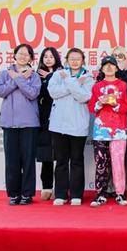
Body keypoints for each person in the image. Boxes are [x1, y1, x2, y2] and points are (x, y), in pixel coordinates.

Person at [0, 43, 41, 205]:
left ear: (31, 58)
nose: (23, 57)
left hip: (29, 123)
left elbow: (32, 94)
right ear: (14, 55)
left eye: (26, 54)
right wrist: (18, 78)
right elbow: (1, 91)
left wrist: (18, 78)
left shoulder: (34, 76)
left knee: (28, 160)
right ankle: (14, 194)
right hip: (9, 123)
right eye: (20, 53)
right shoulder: (5, 73)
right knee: (11, 160)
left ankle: (27, 194)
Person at [48, 48, 94, 206]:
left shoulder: (88, 77)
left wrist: (69, 81)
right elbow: (53, 92)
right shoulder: (58, 74)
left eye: (78, 58)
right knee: (61, 161)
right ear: (67, 60)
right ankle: (60, 194)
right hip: (58, 125)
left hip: (78, 125)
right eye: (72, 58)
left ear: (83, 60)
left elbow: (84, 97)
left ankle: (76, 194)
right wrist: (75, 84)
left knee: (76, 160)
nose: (75, 61)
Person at [88, 56, 127, 207]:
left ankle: (120, 193)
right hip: (100, 130)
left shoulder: (123, 85)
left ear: (117, 68)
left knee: (118, 162)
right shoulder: (97, 86)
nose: (108, 68)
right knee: (101, 162)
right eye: (105, 65)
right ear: (101, 69)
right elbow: (91, 107)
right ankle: (100, 194)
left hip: (119, 129)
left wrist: (115, 104)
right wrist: (100, 103)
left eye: (111, 65)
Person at [36, 47, 62, 201]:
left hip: (61, 117)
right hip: (44, 117)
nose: (48, 59)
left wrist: (51, 76)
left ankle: (60, 189)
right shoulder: (37, 75)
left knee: (61, 156)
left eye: (51, 56)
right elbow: (37, 94)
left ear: (56, 58)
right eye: (45, 56)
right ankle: (46, 187)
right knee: (46, 154)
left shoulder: (63, 72)